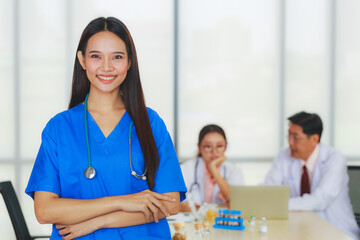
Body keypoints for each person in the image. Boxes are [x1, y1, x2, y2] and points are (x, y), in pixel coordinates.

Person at [25, 17, 187, 240]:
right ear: (82, 60)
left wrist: (97, 222)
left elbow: (171, 203)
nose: (107, 67)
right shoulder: (59, 128)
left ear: (129, 62)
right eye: (95, 56)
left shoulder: (150, 122)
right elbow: (44, 211)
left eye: (117, 57)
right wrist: (123, 201)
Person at [264, 111, 359, 240]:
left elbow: (320, 199)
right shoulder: (284, 155)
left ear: (314, 139)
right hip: (298, 228)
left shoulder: (334, 159)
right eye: (289, 136)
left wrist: (279, 205)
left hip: (334, 230)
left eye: (296, 138)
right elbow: (268, 189)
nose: (290, 143)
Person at [180, 124, 244, 212]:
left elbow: (236, 203)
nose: (214, 151)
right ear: (199, 147)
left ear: (225, 147)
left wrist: (214, 169)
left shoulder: (234, 171)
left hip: (222, 222)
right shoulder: (186, 169)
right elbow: (177, 204)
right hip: (192, 222)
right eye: (208, 146)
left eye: (220, 146)